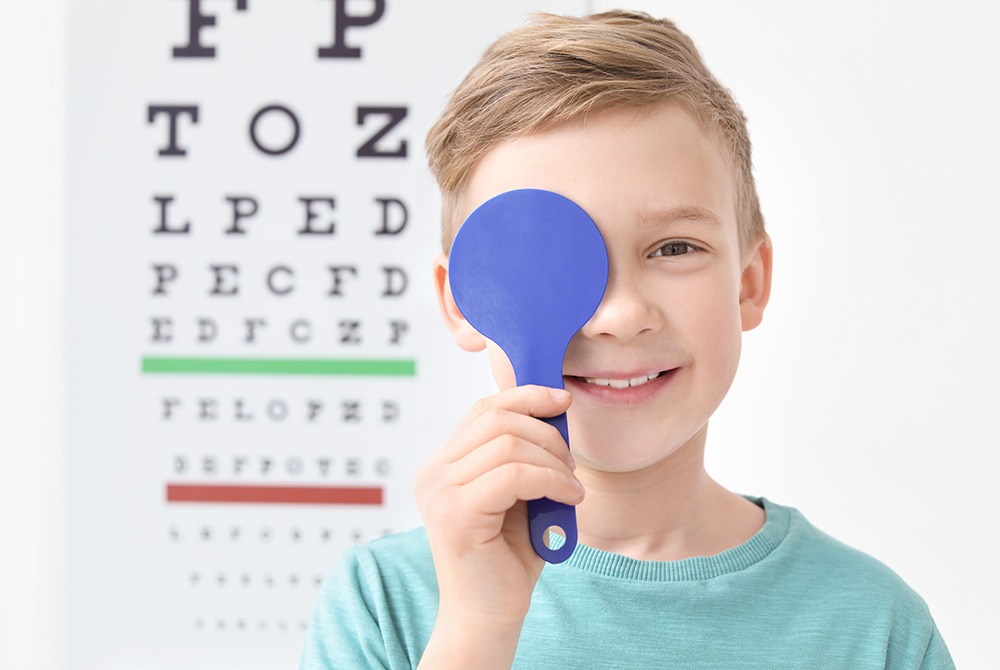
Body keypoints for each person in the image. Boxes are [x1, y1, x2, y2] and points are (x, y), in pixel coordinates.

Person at [300, 10, 954, 669]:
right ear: (467, 300)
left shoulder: (873, 629)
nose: (618, 314)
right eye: (544, 260)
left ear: (750, 282)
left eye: (674, 247)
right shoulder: (385, 604)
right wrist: (477, 627)